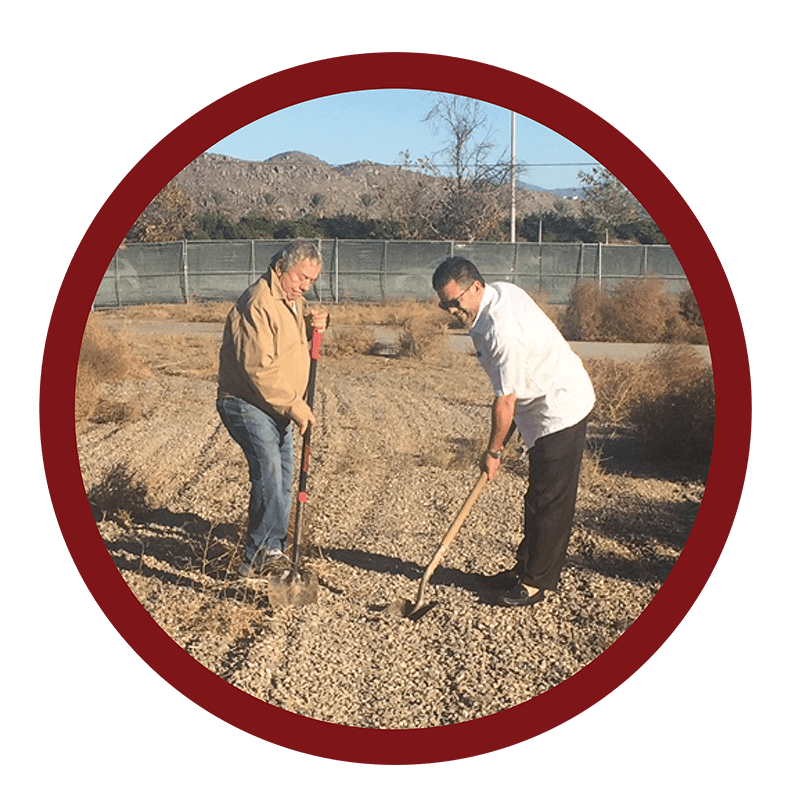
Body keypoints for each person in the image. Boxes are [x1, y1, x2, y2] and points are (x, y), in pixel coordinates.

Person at [432, 257, 595, 608]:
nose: (451, 310)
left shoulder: (501, 329)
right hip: (536, 404)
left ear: (475, 287)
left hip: (560, 407)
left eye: (455, 302)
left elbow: (505, 400)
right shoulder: (499, 293)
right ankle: (524, 569)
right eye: (444, 304)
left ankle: (536, 584)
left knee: (549, 501)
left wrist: (493, 452)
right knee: (536, 497)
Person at [217, 240, 328, 578]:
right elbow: (258, 367)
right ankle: (267, 549)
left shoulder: (291, 300)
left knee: (281, 477)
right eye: (301, 278)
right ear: (280, 268)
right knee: (268, 468)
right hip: (246, 402)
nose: (306, 286)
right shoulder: (259, 302)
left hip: (275, 406)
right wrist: (295, 405)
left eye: (311, 280)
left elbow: (287, 346)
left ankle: (258, 558)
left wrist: (313, 327)